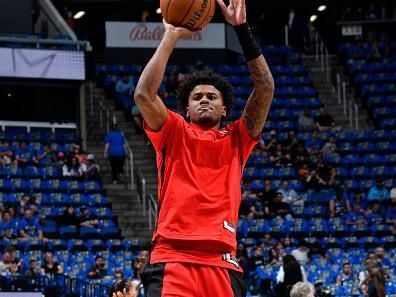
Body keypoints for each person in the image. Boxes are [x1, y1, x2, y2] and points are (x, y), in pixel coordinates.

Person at [127, 0, 274, 295]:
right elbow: (143, 94)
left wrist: (241, 30)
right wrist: (170, 35)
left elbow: (265, 87)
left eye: (211, 96)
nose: (204, 99)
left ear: (224, 110)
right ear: (187, 109)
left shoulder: (238, 138)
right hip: (172, 257)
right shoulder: (174, 130)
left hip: (222, 262)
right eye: (197, 97)